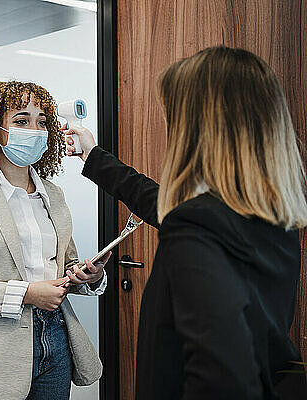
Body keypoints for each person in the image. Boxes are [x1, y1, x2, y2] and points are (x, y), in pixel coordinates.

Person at [65, 46, 307, 399]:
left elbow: (219, 379)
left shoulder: (199, 230)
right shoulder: (272, 214)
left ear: (202, 130)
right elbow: (160, 202)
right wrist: (93, 155)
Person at [0, 81, 108, 400]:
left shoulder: (53, 195)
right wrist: (26, 294)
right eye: (22, 120)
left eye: (42, 121)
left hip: (56, 339)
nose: (36, 130)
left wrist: (87, 276)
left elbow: (63, 266)